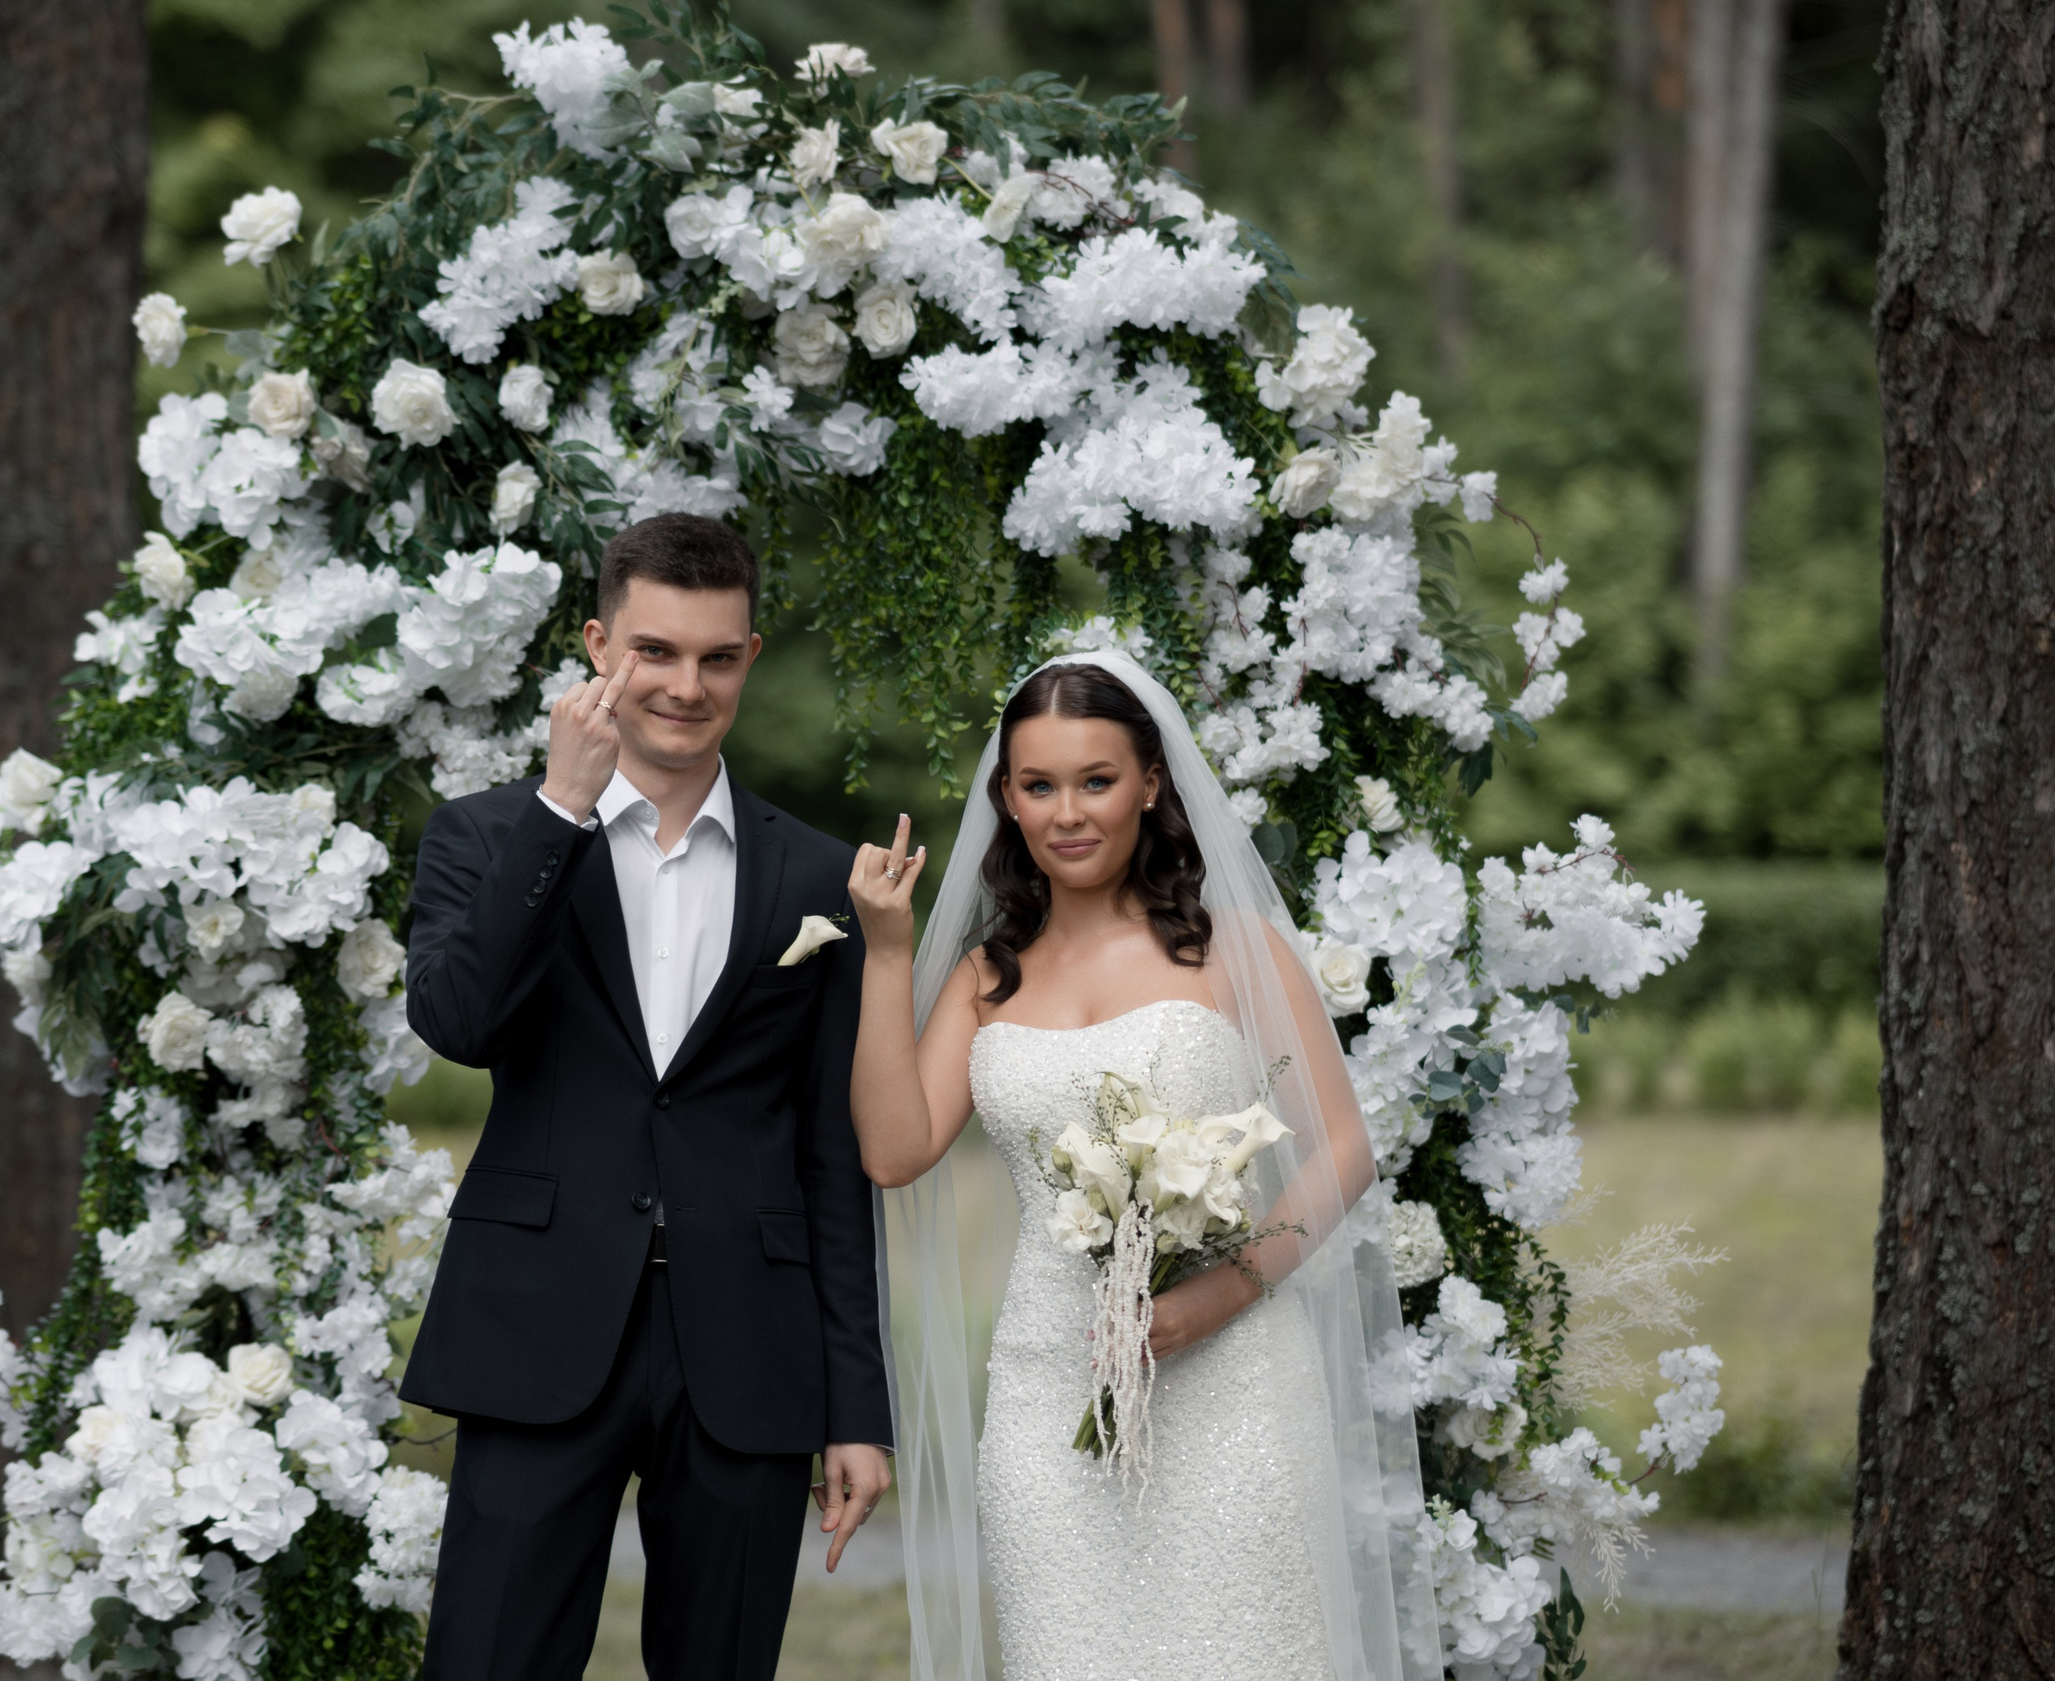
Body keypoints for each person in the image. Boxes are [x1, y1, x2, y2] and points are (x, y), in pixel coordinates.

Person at [844, 652, 1442, 1681]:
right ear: (1007, 800)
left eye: (1097, 780)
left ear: (1151, 783)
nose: (1068, 812)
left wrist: (1223, 1290)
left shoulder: (1233, 947)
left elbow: (1344, 1145)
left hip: (1235, 1382)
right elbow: (894, 1152)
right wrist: (889, 954)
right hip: (1051, 1383)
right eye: (1039, 785)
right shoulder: (987, 975)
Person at [398, 512, 894, 1681]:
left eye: (716, 657)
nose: (685, 686)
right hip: (538, 1324)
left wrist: (856, 1408)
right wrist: (558, 813)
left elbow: (832, 1160)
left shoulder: (821, 876)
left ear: (749, 658)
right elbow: (460, 1025)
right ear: (597, 647)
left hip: (747, 1346)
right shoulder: (485, 837)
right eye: (654, 652)